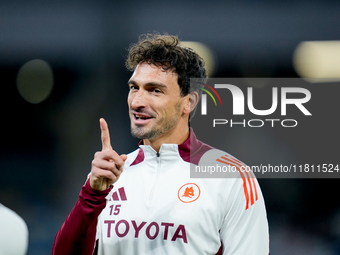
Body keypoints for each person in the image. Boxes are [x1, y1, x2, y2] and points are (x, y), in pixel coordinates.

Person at [52, 34, 269, 255]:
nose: (137, 102)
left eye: (155, 90)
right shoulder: (108, 176)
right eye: (134, 87)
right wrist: (92, 195)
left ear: (189, 102)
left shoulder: (232, 177)